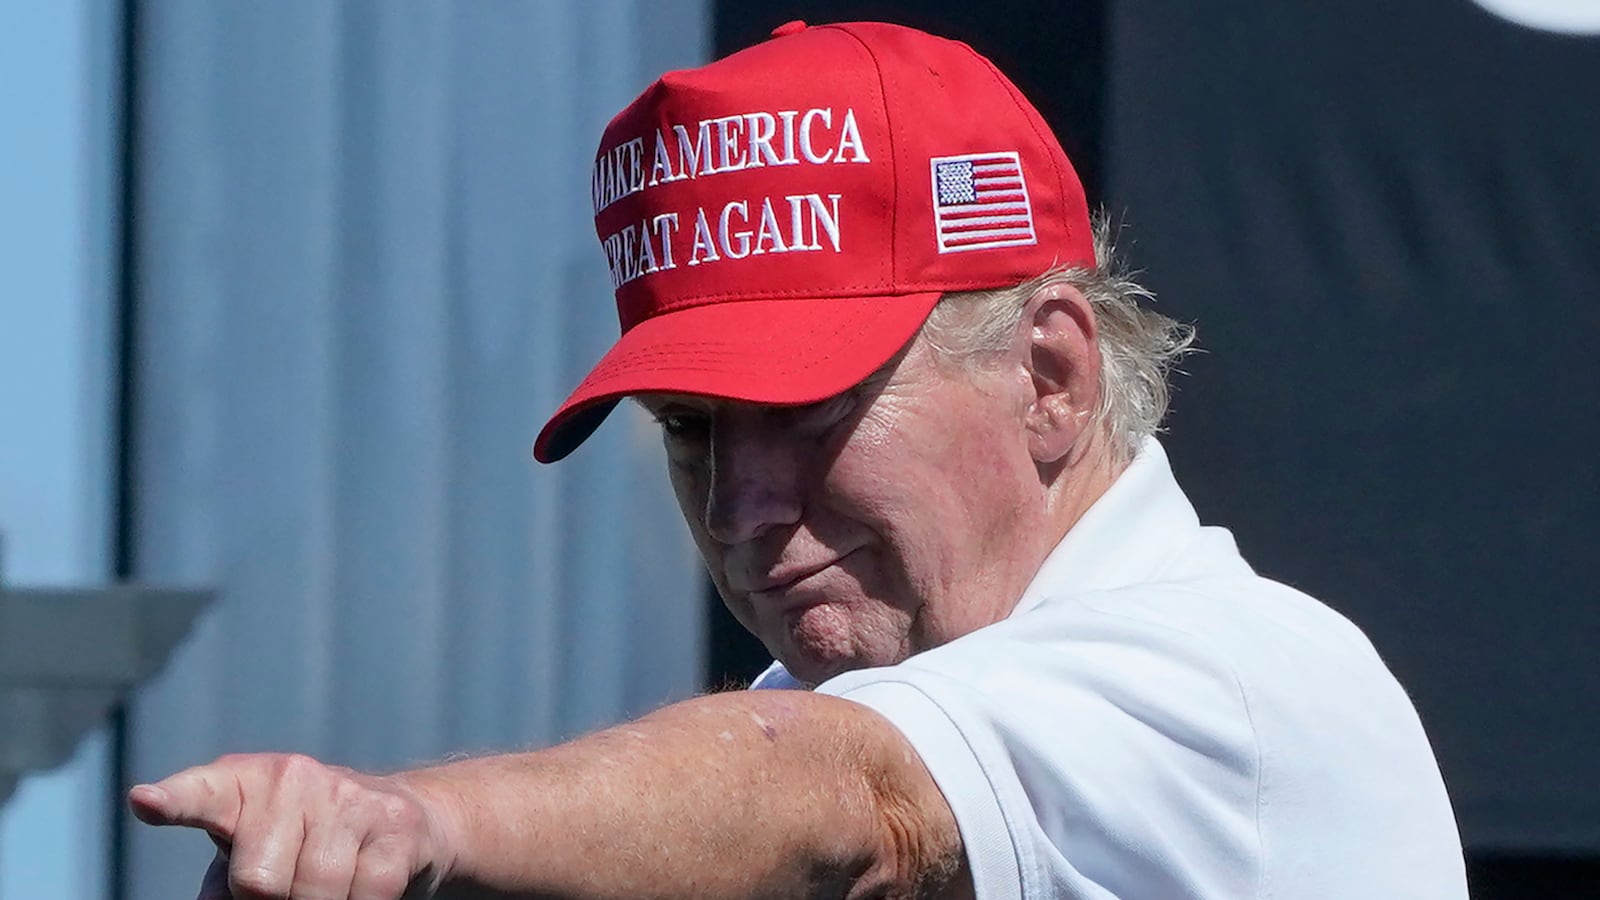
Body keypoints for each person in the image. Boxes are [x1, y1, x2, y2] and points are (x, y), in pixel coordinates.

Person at [129, 20, 1468, 900]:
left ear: (1050, 379)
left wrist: (415, 826)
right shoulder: (813, 727)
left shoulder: (1224, 682)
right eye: (694, 433)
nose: (741, 508)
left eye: (814, 411)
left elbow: (848, 797)